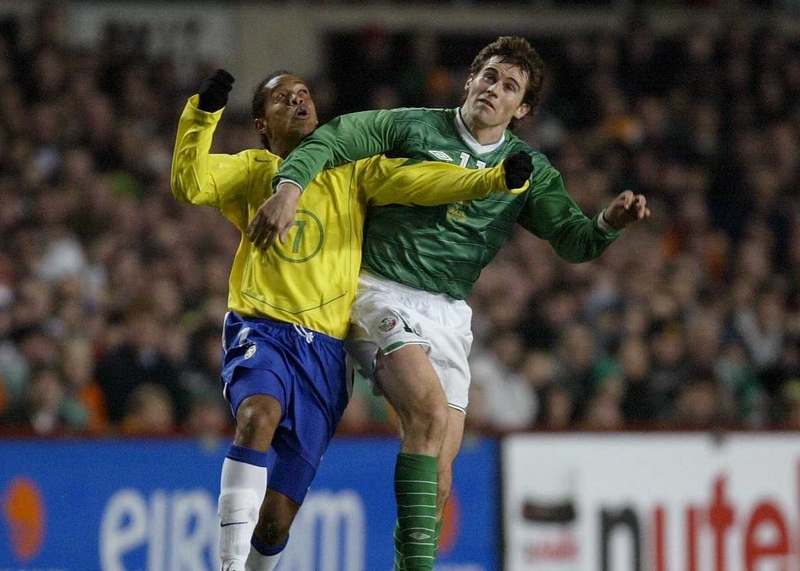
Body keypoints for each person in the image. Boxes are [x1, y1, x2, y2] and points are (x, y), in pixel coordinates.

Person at [252, 36, 651, 571]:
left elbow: (573, 240)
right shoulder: (410, 126)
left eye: (510, 86)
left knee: (438, 479)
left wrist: (610, 222)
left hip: (448, 315)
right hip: (377, 291)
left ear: (523, 108)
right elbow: (330, 139)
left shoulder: (526, 168)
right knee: (428, 413)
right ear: (470, 80)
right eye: (488, 76)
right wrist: (290, 187)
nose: (494, 89)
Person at [170, 69, 533, 571]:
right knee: (258, 415)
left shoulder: (353, 171)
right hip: (262, 326)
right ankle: (227, 565)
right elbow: (189, 182)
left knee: (277, 519)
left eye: (304, 95)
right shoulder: (252, 171)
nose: (298, 103)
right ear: (261, 121)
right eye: (282, 99)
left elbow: (417, 180)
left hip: (325, 351)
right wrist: (203, 113)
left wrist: (491, 179)